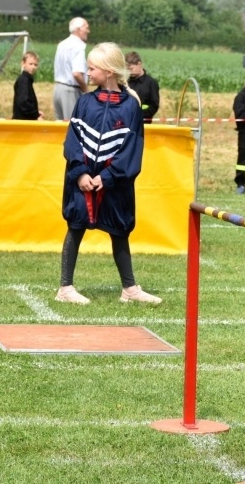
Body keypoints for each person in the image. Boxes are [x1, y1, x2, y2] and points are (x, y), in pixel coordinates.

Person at [55, 42, 162, 305]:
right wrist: (80, 174)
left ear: (109, 71)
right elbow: (73, 141)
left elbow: (132, 149)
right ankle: (65, 288)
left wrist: (109, 177)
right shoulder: (84, 102)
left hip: (114, 184)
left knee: (119, 232)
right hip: (82, 183)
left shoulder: (131, 107)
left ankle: (130, 289)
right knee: (76, 227)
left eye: (92, 68)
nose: (87, 72)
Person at [53, 17, 90, 121]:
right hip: (70, 90)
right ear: (79, 29)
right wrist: (86, 89)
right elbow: (77, 73)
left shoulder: (62, 44)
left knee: (60, 125)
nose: (88, 31)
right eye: (86, 28)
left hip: (58, 89)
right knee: (71, 125)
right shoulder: (78, 46)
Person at [125, 51, 160, 124]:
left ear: (139, 64)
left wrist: (139, 115)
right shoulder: (125, 82)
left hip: (143, 124)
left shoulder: (151, 83)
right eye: (127, 70)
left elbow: (154, 106)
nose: (129, 72)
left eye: (131, 69)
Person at [12, 51, 43, 120]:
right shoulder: (24, 80)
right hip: (22, 121)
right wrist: (36, 115)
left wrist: (36, 112)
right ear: (23, 63)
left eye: (35, 65)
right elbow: (23, 103)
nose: (33, 67)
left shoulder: (27, 80)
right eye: (30, 64)